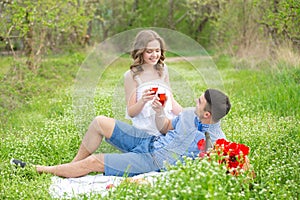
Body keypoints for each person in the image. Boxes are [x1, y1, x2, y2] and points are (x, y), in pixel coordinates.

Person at [11, 88, 231, 178]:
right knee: (99, 122)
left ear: (208, 116)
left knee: (95, 162)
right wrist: (158, 113)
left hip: (151, 160)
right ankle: (70, 168)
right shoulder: (190, 114)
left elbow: (231, 164)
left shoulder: (216, 142)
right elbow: (165, 128)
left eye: (200, 102)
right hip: (149, 141)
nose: (196, 101)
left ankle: (39, 170)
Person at [124, 29, 182, 136]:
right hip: (146, 131)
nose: (154, 55)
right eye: (149, 51)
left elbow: (172, 102)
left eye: (157, 50)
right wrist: (143, 100)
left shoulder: (163, 70)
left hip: (166, 124)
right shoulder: (132, 75)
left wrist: (187, 116)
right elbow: (131, 113)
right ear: (140, 52)